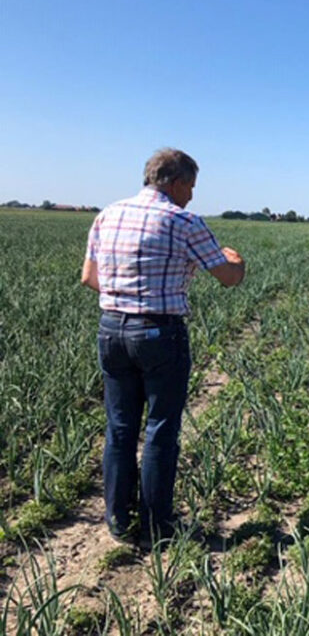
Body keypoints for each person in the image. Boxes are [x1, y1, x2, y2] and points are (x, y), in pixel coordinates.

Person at [81, 148, 246, 546]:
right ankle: (158, 524)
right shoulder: (183, 220)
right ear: (174, 183)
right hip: (159, 332)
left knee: (120, 429)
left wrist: (126, 296)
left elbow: (89, 277)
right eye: (190, 186)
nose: (191, 194)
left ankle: (119, 522)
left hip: (111, 330)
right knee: (159, 430)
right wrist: (237, 261)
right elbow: (227, 277)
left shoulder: (108, 214)